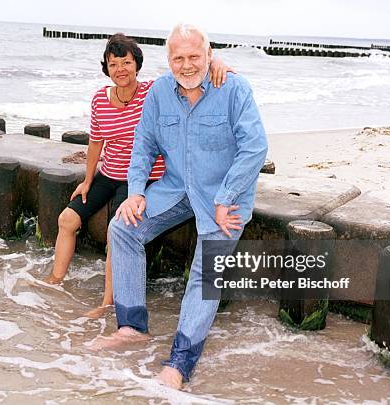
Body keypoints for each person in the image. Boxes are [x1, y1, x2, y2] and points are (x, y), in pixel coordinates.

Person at [90, 24, 268, 389]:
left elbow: (255, 149)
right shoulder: (159, 93)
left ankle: (181, 362)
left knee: (206, 270)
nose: (186, 65)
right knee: (123, 227)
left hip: (225, 198)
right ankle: (131, 326)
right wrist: (136, 192)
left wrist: (225, 197)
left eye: (194, 57)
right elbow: (143, 145)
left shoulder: (234, 87)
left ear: (209, 55)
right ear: (167, 60)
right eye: (178, 58)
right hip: (176, 188)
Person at [42, 33, 234, 318]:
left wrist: (216, 60)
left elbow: (185, 71)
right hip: (109, 174)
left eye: (126, 62)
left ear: (137, 65)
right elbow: (96, 142)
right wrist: (87, 179)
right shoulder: (99, 100)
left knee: (116, 232)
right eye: (113, 63)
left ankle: (108, 302)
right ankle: (54, 282)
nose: (120, 69)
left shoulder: (152, 92)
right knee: (67, 219)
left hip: (142, 179)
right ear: (106, 68)